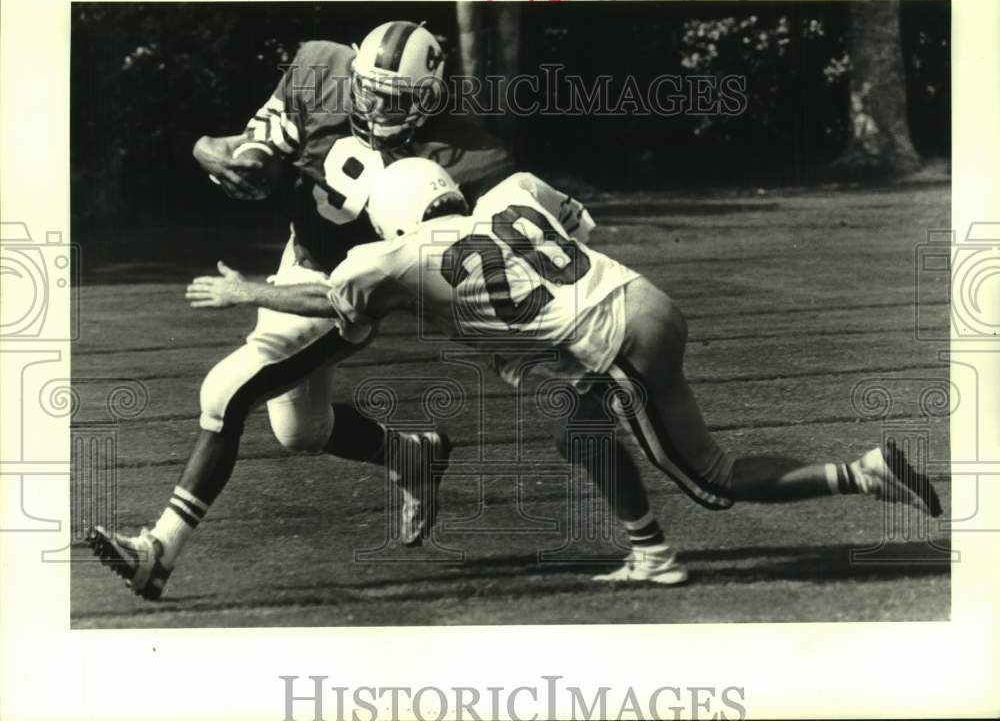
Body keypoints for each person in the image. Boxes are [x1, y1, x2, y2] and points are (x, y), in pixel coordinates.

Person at [184, 158, 943, 585]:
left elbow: (329, 293)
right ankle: (650, 551)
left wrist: (248, 290)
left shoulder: (396, 253)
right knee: (576, 430)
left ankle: (863, 472)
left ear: (394, 217)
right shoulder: (513, 188)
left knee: (710, 478)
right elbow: (579, 224)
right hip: (642, 299)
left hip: (612, 343)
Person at [87, 21, 515, 600]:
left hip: (353, 289)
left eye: (396, 99)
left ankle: (156, 552)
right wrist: (229, 158)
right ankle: (413, 456)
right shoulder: (320, 66)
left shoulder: (467, 157)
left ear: (430, 99)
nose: (377, 107)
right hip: (300, 257)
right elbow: (263, 152)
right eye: (369, 90)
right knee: (300, 430)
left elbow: (435, 269)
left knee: (223, 393)